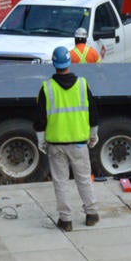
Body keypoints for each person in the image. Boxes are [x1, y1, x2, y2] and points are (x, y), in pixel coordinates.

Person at [34, 46, 100, 231]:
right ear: (69, 62)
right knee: (84, 179)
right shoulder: (82, 85)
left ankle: (66, 220)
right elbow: (93, 113)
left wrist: (41, 140)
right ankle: (92, 214)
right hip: (79, 143)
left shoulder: (46, 88)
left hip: (56, 144)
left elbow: (39, 120)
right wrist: (93, 134)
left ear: (54, 64)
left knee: (61, 182)